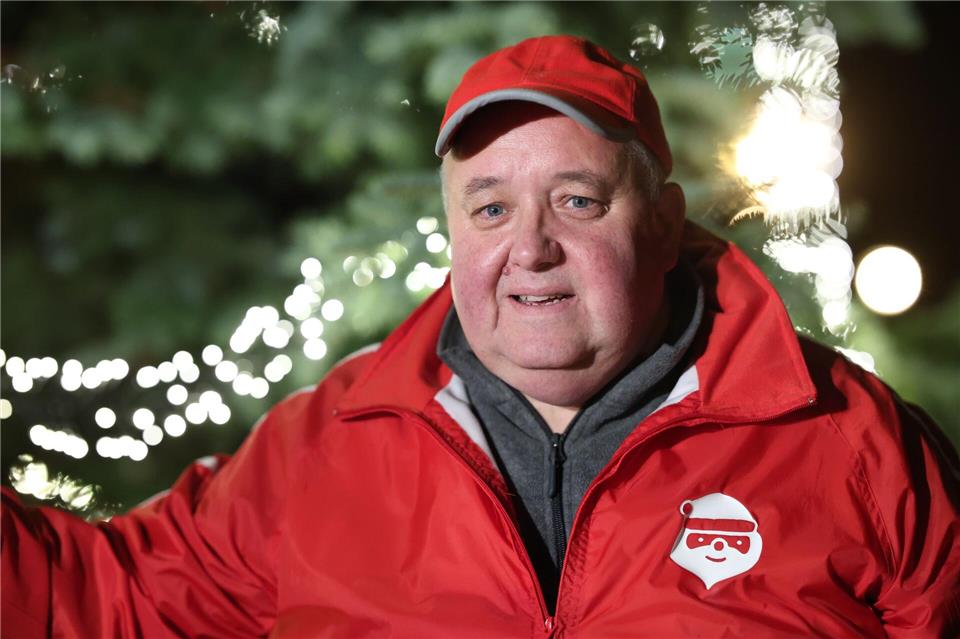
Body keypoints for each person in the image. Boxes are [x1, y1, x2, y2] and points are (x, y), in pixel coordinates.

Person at [2, 35, 958, 638]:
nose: (530, 248)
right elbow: (102, 598)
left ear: (664, 225)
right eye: (490, 207)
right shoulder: (323, 450)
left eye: (577, 201)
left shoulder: (854, 447)